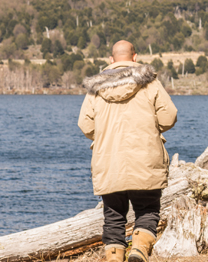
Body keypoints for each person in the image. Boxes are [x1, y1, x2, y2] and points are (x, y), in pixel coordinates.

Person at [78, 40, 178, 262]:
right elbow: (169, 116)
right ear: (135, 58)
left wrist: (106, 137)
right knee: (147, 210)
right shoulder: (149, 82)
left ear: (111, 61)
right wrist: (151, 129)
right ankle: (139, 249)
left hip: (109, 161)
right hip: (146, 158)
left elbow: (86, 125)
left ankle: (114, 257)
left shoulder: (96, 88)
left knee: (113, 216)